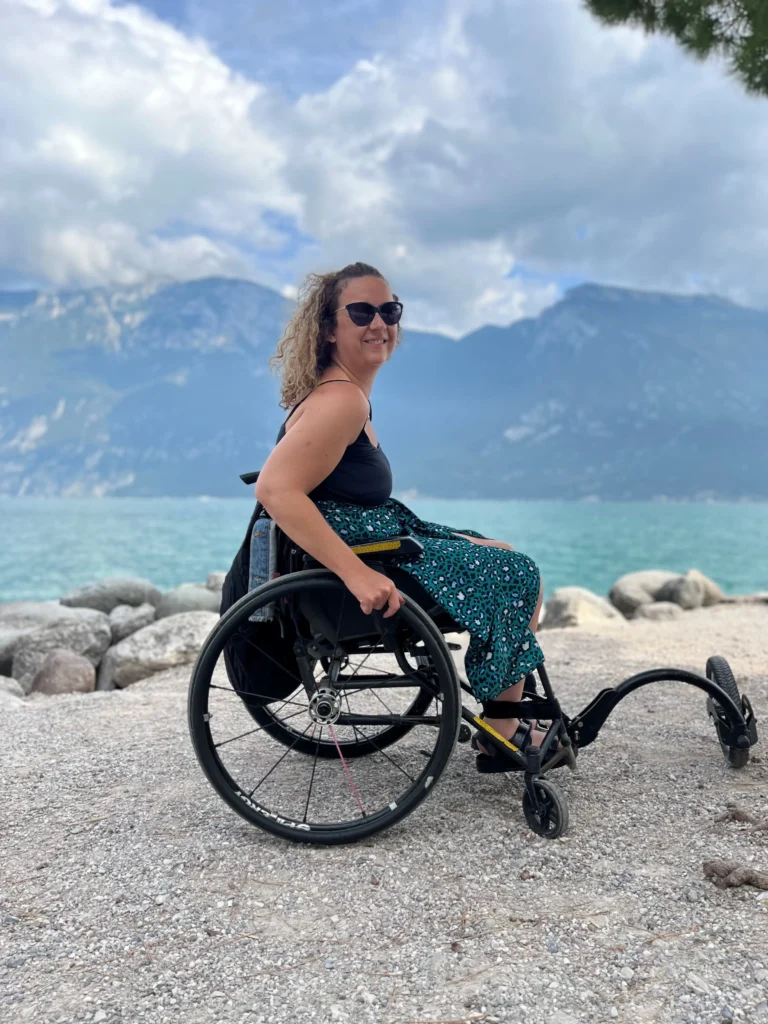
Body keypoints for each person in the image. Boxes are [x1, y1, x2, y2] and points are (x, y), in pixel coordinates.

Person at [255, 261, 548, 766]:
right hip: (370, 559)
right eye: (362, 311)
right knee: (516, 572)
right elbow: (276, 490)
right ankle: (502, 727)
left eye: (389, 310)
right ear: (329, 328)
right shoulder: (340, 399)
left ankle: (505, 710)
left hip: (387, 540)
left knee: (501, 554)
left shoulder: (345, 393)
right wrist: (358, 575)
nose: (379, 323)